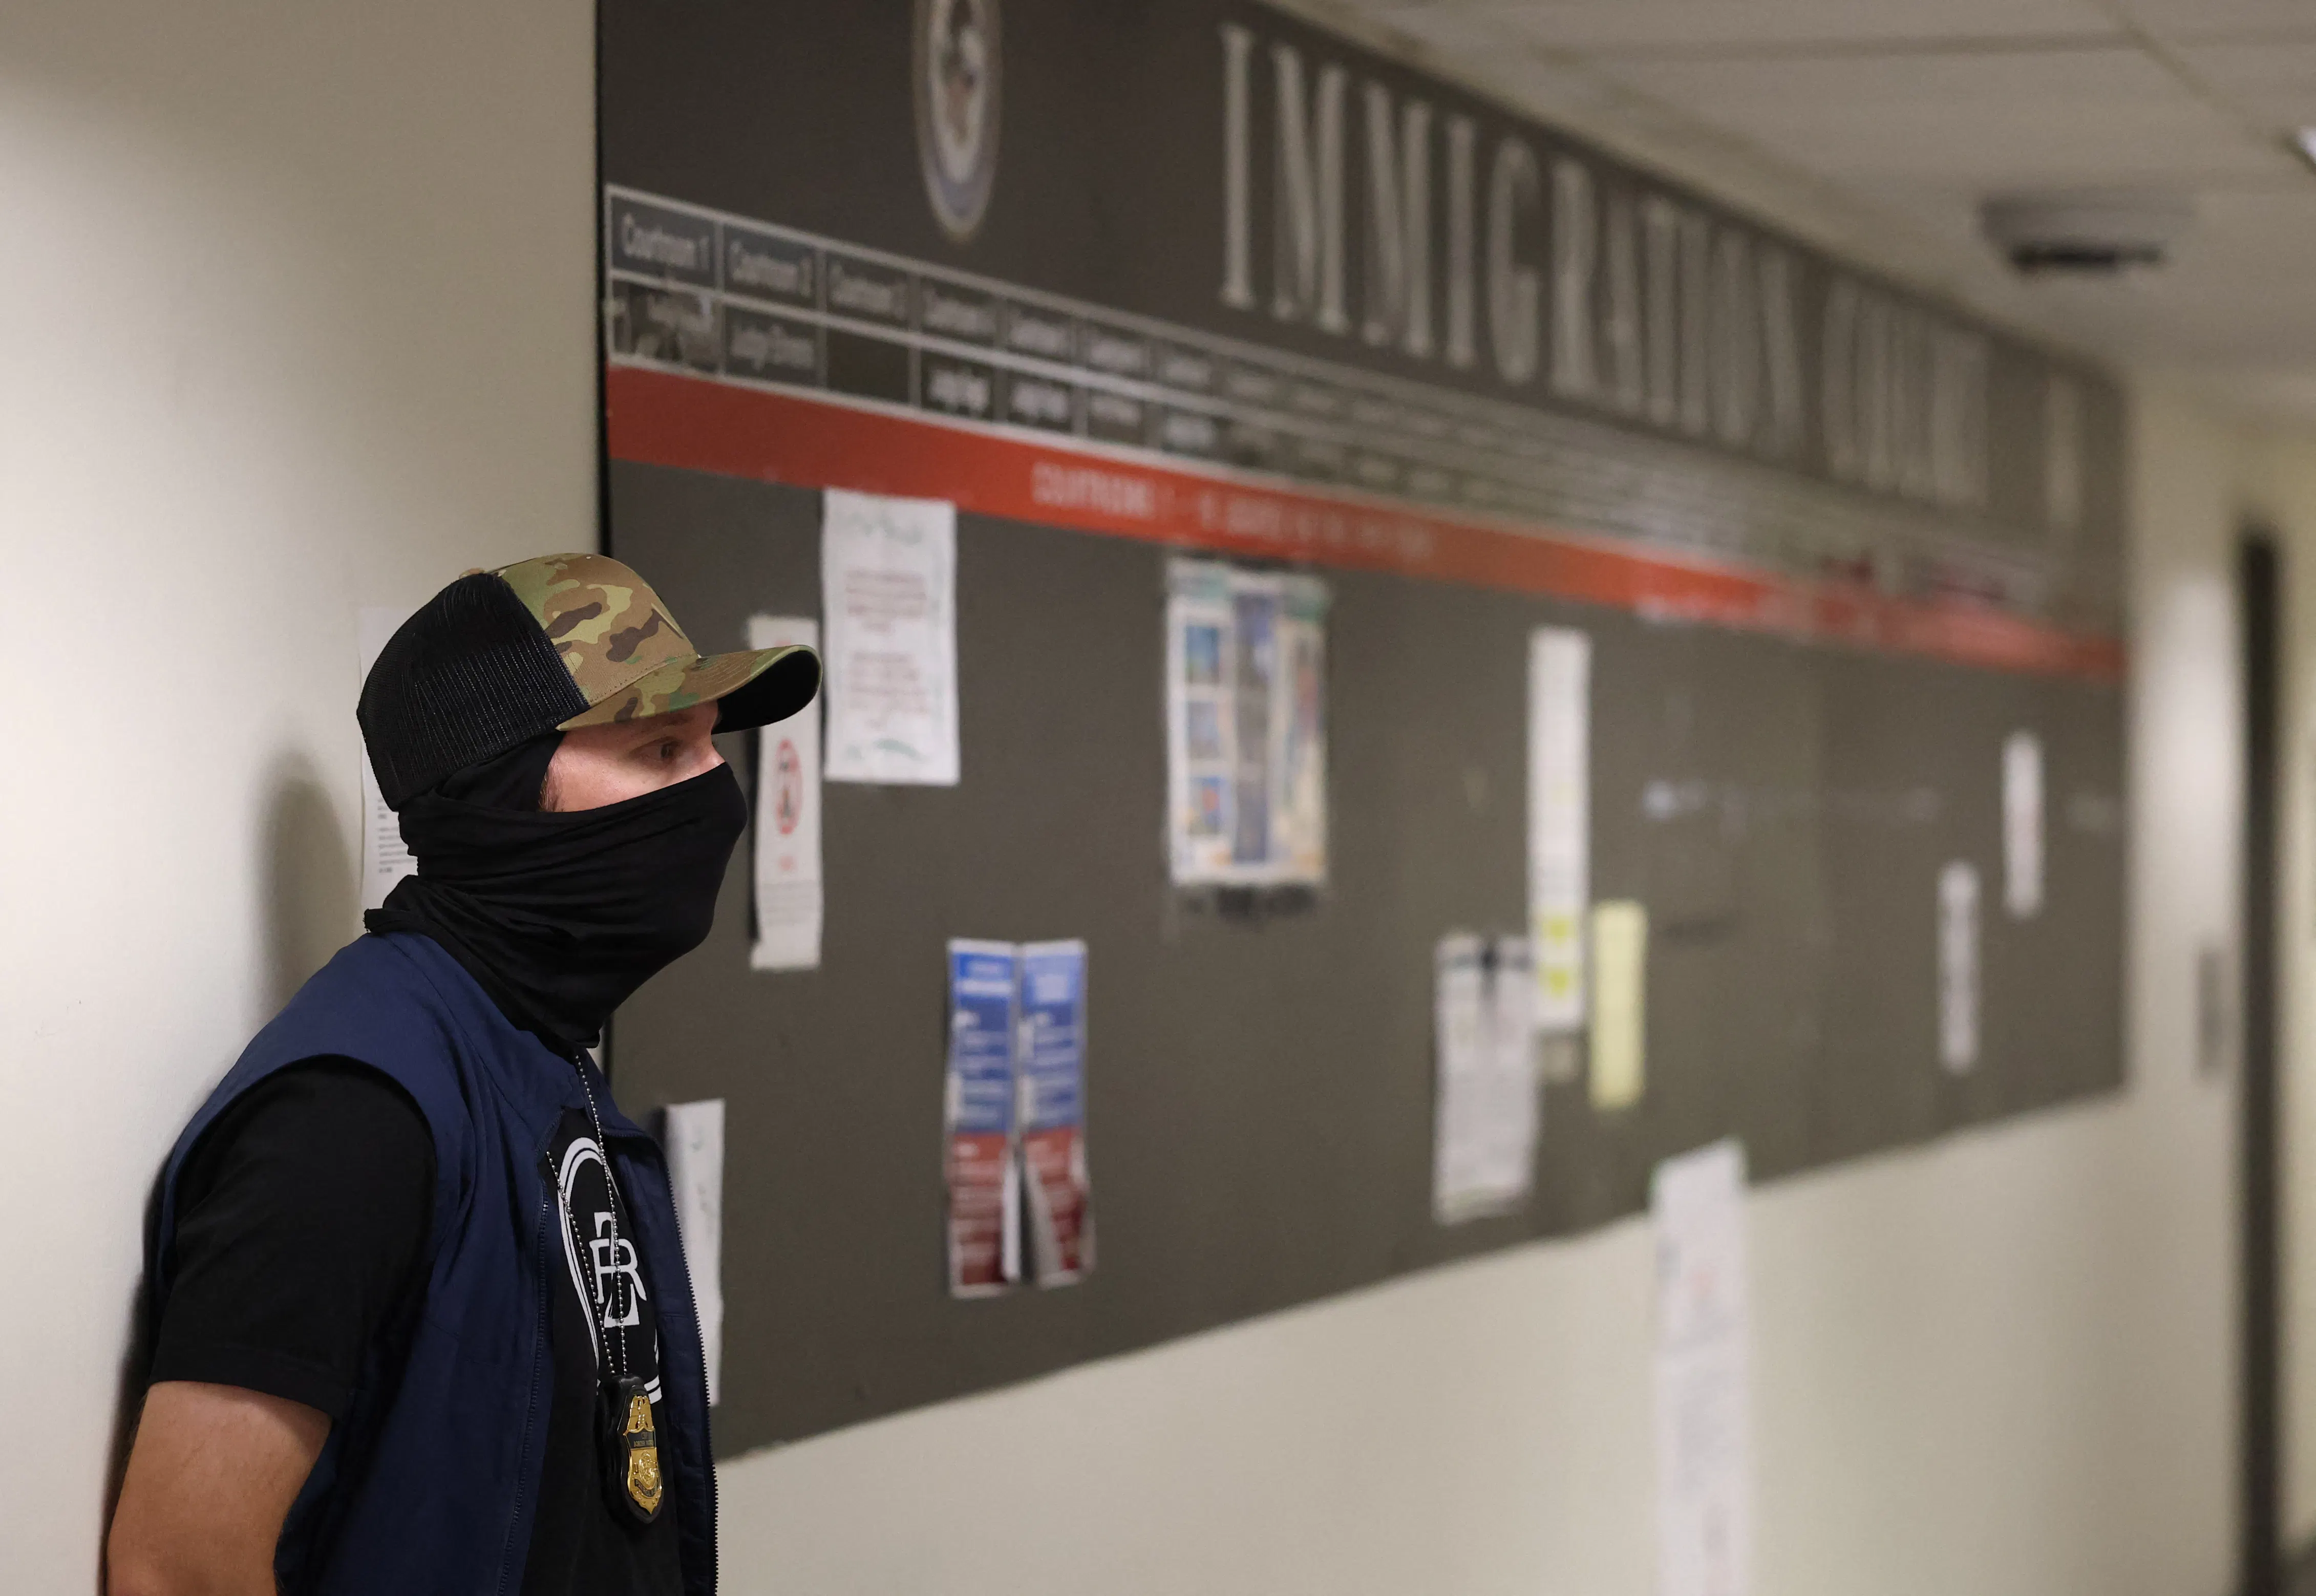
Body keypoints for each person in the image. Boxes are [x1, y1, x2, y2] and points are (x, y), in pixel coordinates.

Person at [108, 554, 819, 1596]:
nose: (713, 794)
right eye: (659, 748)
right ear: (495, 799)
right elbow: (178, 1567)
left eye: (709, 748)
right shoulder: (353, 1110)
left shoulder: (532, 1050)